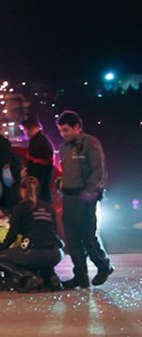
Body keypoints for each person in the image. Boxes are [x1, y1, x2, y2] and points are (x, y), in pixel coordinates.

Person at [56, 110, 113, 289]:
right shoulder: (64, 148)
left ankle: (104, 266)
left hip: (85, 196)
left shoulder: (90, 143)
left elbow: (99, 170)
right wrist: (61, 183)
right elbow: (66, 171)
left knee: (87, 236)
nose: (63, 134)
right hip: (69, 196)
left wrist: (91, 191)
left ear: (77, 127)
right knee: (72, 238)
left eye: (66, 130)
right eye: (60, 131)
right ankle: (80, 275)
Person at [0, 176, 65, 293]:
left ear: (21, 190)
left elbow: (12, 235)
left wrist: (0, 250)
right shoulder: (48, 207)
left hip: (34, 251)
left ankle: (28, 277)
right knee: (40, 255)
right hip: (55, 253)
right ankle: (51, 278)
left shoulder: (21, 207)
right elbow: (55, 232)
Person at [20, 113, 54, 203]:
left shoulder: (40, 144)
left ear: (37, 127)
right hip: (39, 192)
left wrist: (32, 191)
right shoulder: (35, 141)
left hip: (39, 194)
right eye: (25, 128)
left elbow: (39, 171)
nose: (27, 131)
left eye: (30, 127)